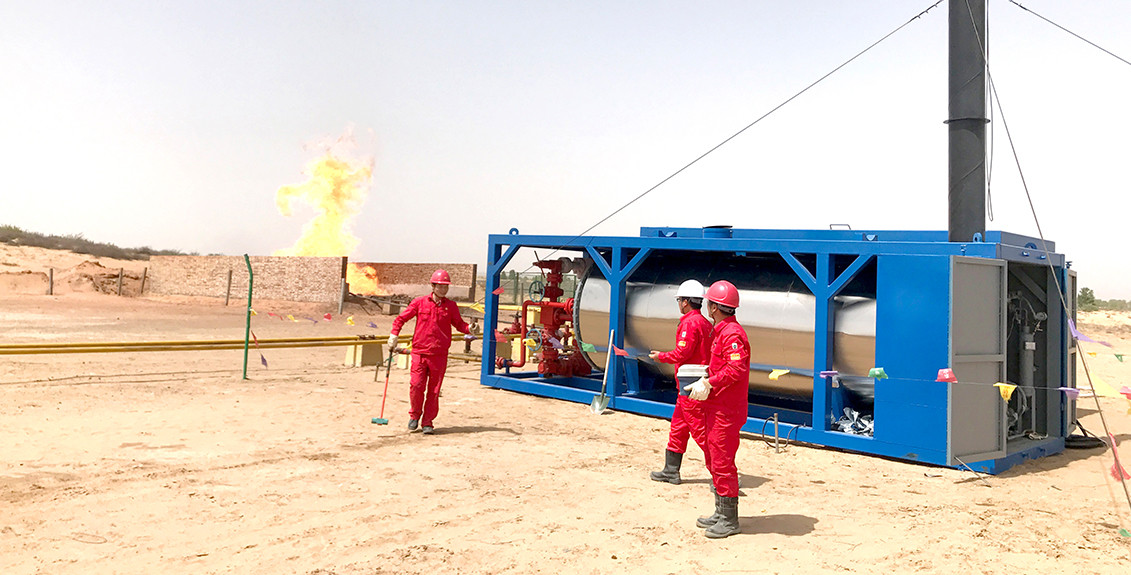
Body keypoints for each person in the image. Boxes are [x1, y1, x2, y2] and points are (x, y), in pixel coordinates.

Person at [683, 279, 750, 539]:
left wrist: (710, 382)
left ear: (713, 307)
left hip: (726, 409)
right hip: (718, 406)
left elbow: (736, 369)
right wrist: (705, 376)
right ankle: (721, 512)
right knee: (714, 457)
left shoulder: (731, 334)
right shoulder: (722, 332)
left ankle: (730, 520)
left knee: (722, 461)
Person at [388, 269, 472, 435]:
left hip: (439, 355)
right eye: (440, 286)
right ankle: (414, 415)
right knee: (416, 385)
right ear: (433, 286)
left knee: (434, 391)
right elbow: (401, 318)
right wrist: (394, 334)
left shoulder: (451, 306)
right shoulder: (419, 303)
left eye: (445, 286)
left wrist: (470, 328)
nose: (443, 289)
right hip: (420, 352)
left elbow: (459, 324)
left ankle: (428, 422)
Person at [647, 279, 713, 485]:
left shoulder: (690, 323)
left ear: (685, 302)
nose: (679, 304)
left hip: (690, 387)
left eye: (679, 300)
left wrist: (661, 357)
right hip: (693, 385)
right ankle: (671, 471)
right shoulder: (706, 323)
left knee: (701, 432)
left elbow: (682, 352)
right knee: (678, 428)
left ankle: (720, 475)